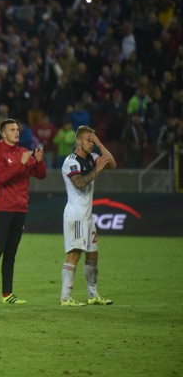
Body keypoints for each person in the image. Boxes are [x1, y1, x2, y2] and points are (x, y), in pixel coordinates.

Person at [0, 119, 46, 305]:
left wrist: (39, 162)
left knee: (11, 253)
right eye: (12, 129)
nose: (17, 132)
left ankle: (7, 294)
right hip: (2, 208)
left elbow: (40, 174)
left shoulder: (22, 152)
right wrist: (22, 164)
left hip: (20, 208)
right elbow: (1, 177)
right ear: (3, 134)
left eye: (17, 129)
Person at [60, 126, 117, 306]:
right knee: (74, 254)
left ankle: (93, 294)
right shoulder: (71, 162)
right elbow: (80, 183)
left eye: (93, 141)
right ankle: (65, 297)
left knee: (93, 254)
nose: (91, 144)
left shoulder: (93, 158)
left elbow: (113, 164)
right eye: (88, 140)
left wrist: (100, 144)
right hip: (75, 216)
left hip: (88, 217)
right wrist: (98, 170)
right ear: (78, 141)